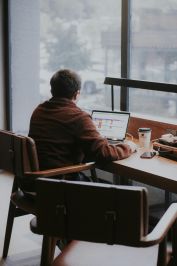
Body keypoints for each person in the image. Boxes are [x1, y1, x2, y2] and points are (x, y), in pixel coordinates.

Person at [28, 69, 136, 181]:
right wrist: (129, 147)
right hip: (61, 183)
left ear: (52, 90)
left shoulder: (39, 111)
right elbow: (105, 153)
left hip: (37, 181)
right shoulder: (78, 117)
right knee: (115, 193)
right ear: (76, 94)